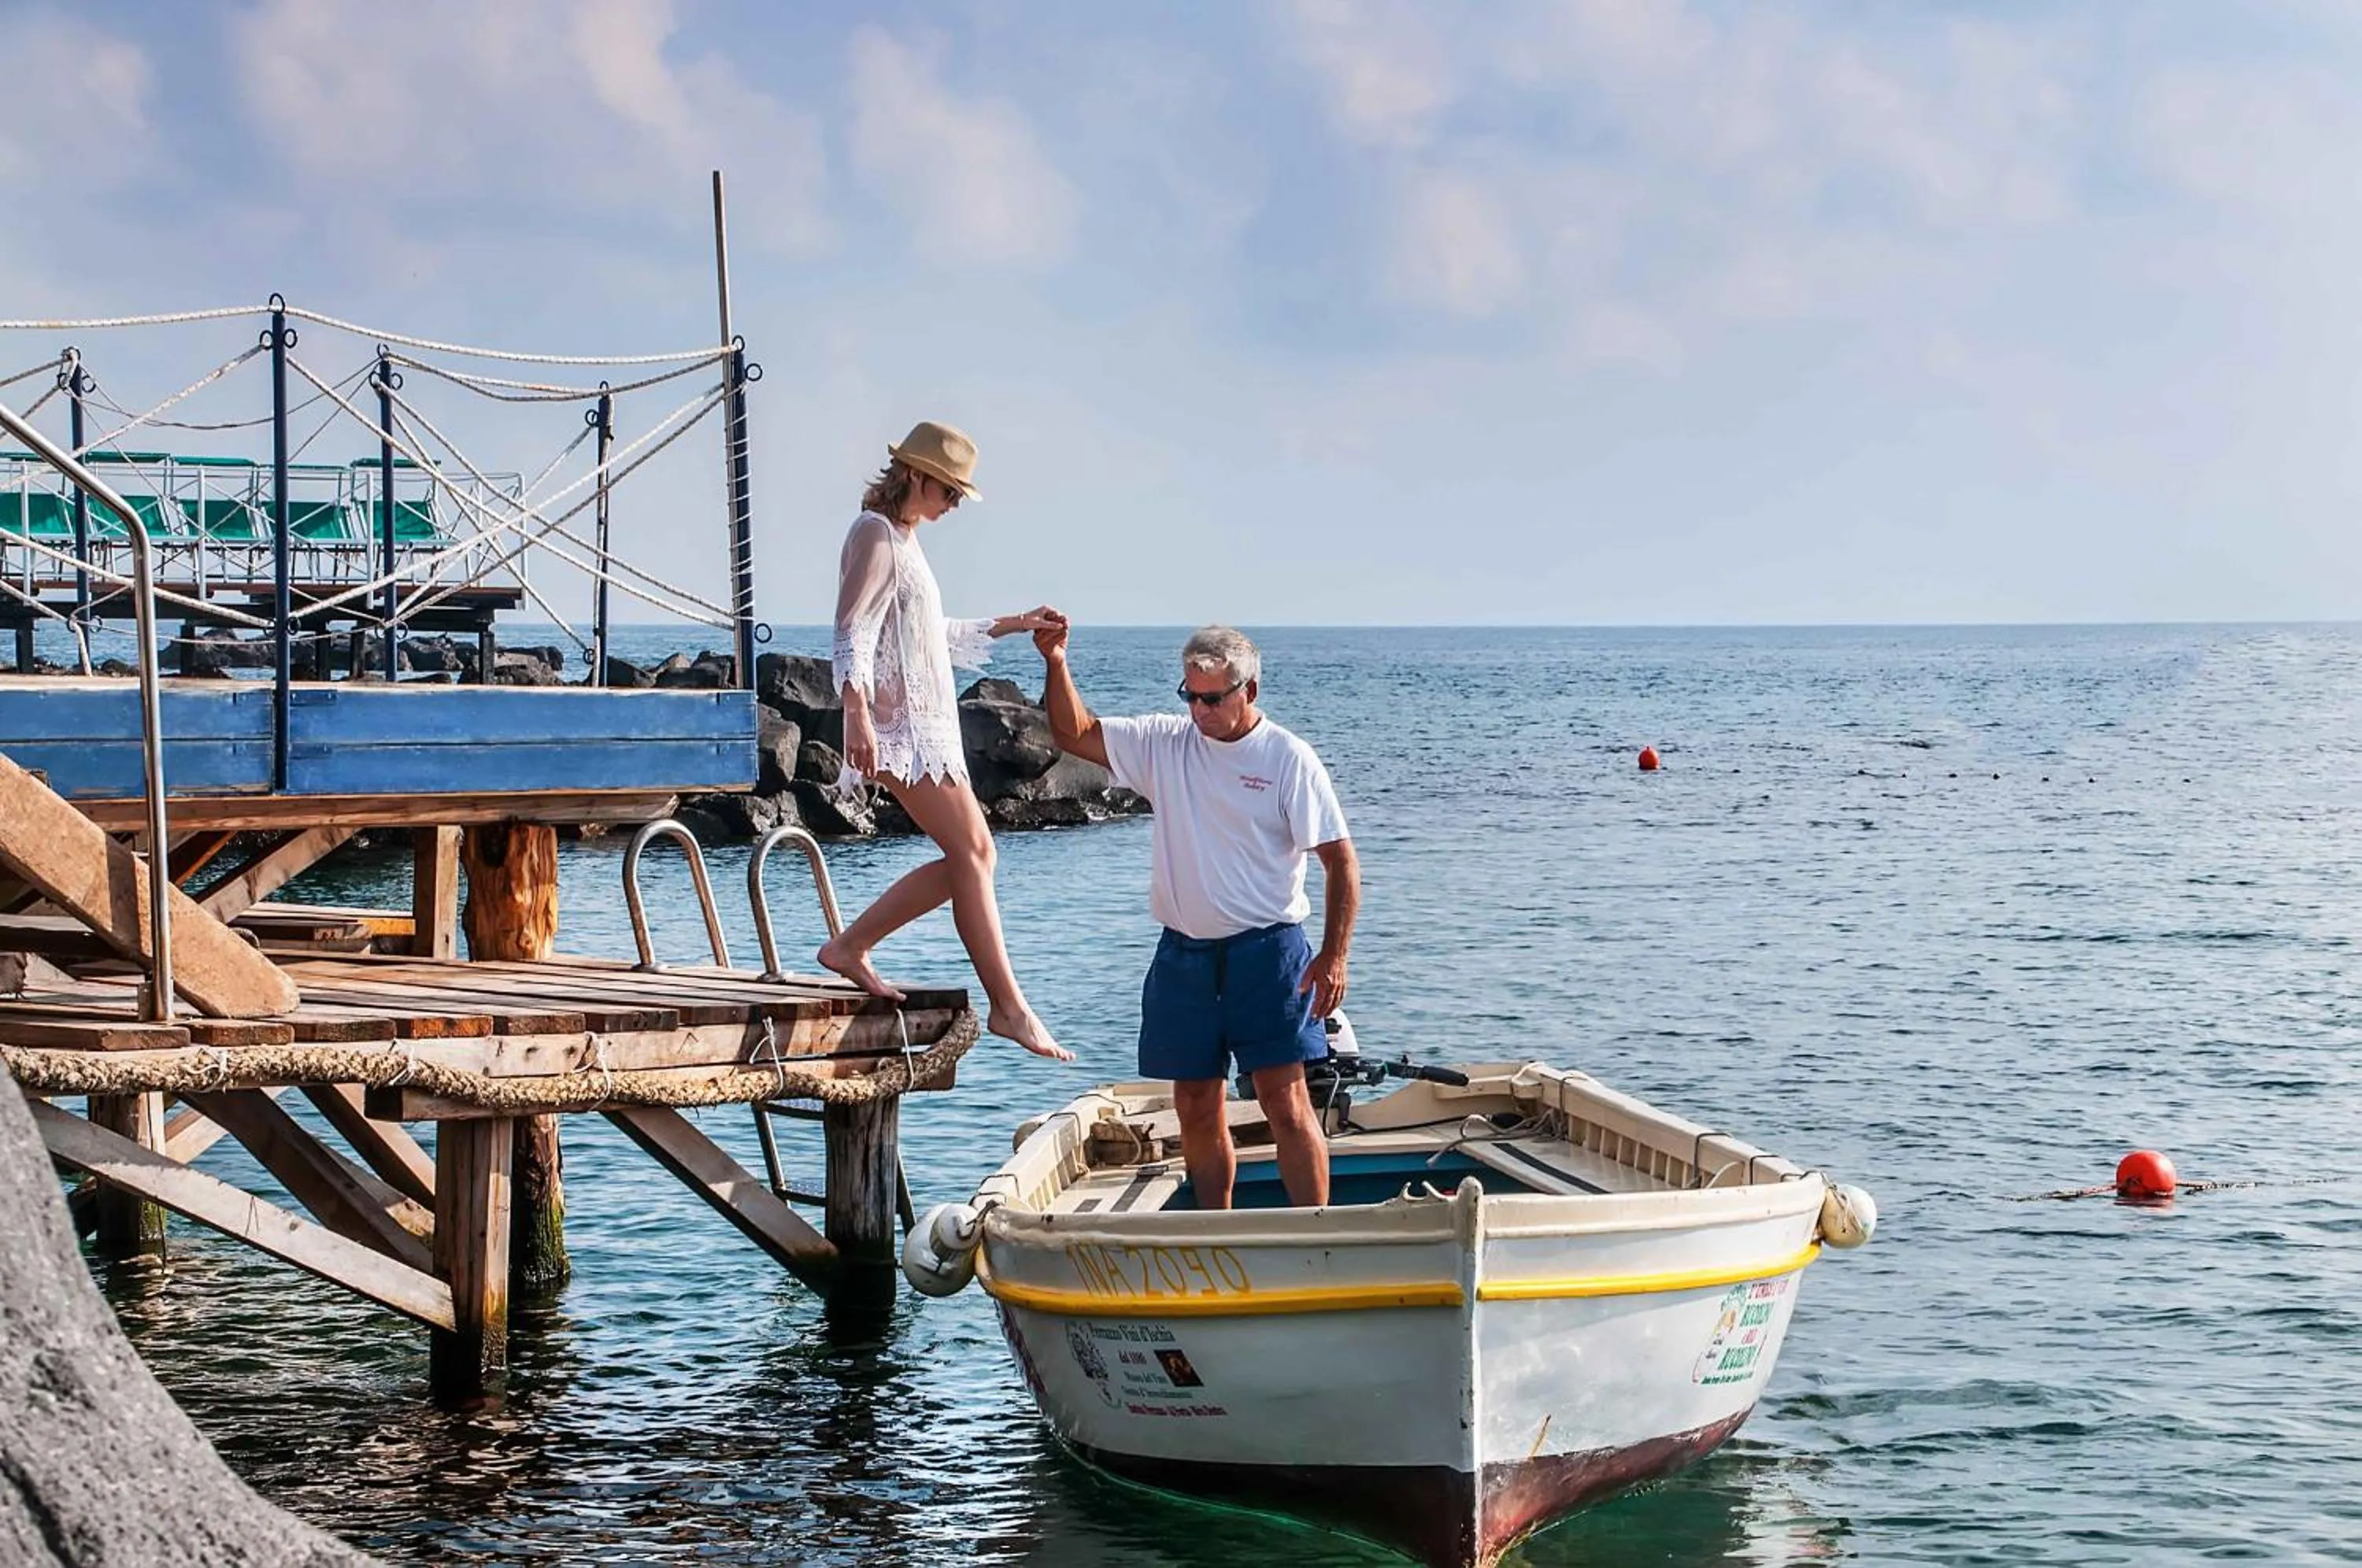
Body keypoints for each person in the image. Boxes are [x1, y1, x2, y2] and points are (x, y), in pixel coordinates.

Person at [1035, 621, 1358, 1207]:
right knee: (1195, 1105)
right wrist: (1057, 661)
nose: (1199, 711)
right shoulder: (1166, 742)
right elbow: (1073, 731)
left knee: (1285, 1101)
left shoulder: (1288, 758)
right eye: (1190, 696)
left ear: (1248, 692)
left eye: (1212, 698)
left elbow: (1341, 862)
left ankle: (1315, 1230)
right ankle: (1216, 1227)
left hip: (1270, 952)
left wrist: (1334, 957)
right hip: (1183, 955)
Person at [815, 420, 1072, 1062]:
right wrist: (857, 716)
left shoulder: (904, 538)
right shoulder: (875, 534)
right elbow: (850, 632)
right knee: (975, 854)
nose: (955, 504)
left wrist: (1017, 623)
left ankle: (851, 947)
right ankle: (1008, 1007)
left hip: (928, 724)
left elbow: (929, 631)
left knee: (974, 858)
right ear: (917, 476)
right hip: (901, 728)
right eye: (950, 490)